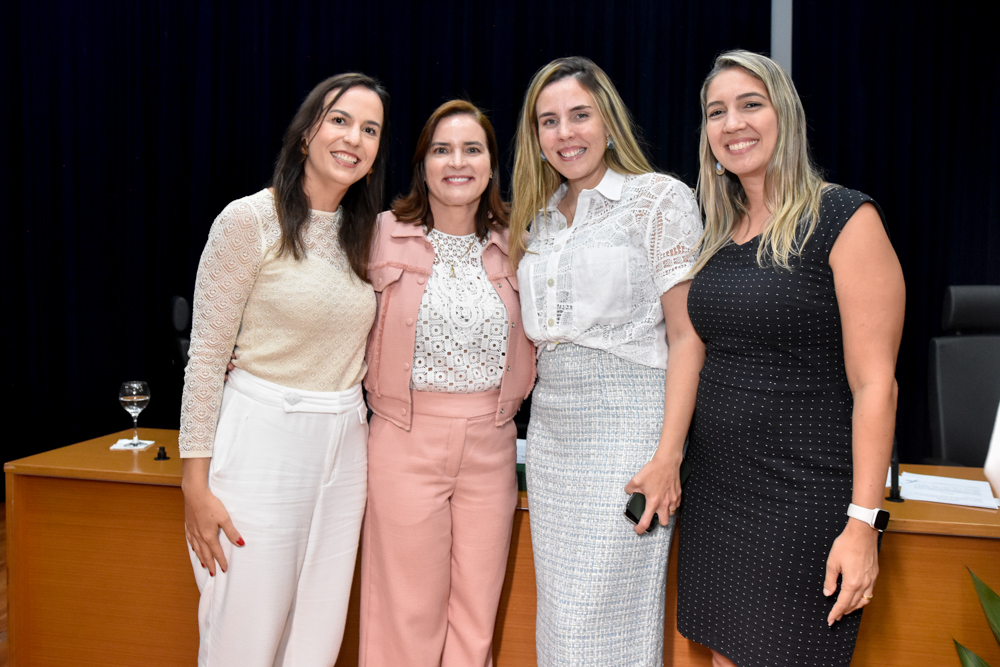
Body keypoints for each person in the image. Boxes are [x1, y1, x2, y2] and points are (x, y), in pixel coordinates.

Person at [676, 50, 905, 667]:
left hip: (801, 503)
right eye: (716, 111)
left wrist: (864, 523)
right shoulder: (719, 234)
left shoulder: (843, 218)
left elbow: (875, 385)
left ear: (787, 115)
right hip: (718, 497)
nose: (733, 123)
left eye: (751, 104)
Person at [180, 73, 390, 667]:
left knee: (316, 635)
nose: (354, 137)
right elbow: (205, 362)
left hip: (345, 443)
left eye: (370, 129)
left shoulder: (364, 238)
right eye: (340, 120)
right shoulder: (247, 222)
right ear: (306, 135)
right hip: (263, 436)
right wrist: (194, 485)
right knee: (244, 631)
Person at [509, 57, 704, 665]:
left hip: (632, 433)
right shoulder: (534, 221)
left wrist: (668, 454)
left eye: (579, 115)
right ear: (536, 138)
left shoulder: (657, 199)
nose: (565, 133)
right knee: (562, 621)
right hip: (551, 440)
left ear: (609, 123)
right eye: (549, 121)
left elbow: (688, 338)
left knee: (606, 620)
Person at [359, 99, 535, 667]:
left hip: (492, 443)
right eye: (442, 150)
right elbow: (324, 305)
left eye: (472, 149)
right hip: (403, 436)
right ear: (423, 165)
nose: (457, 162)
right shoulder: (380, 234)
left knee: (476, 618)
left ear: (490, 165)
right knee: (405, 614)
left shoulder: (522, 243)